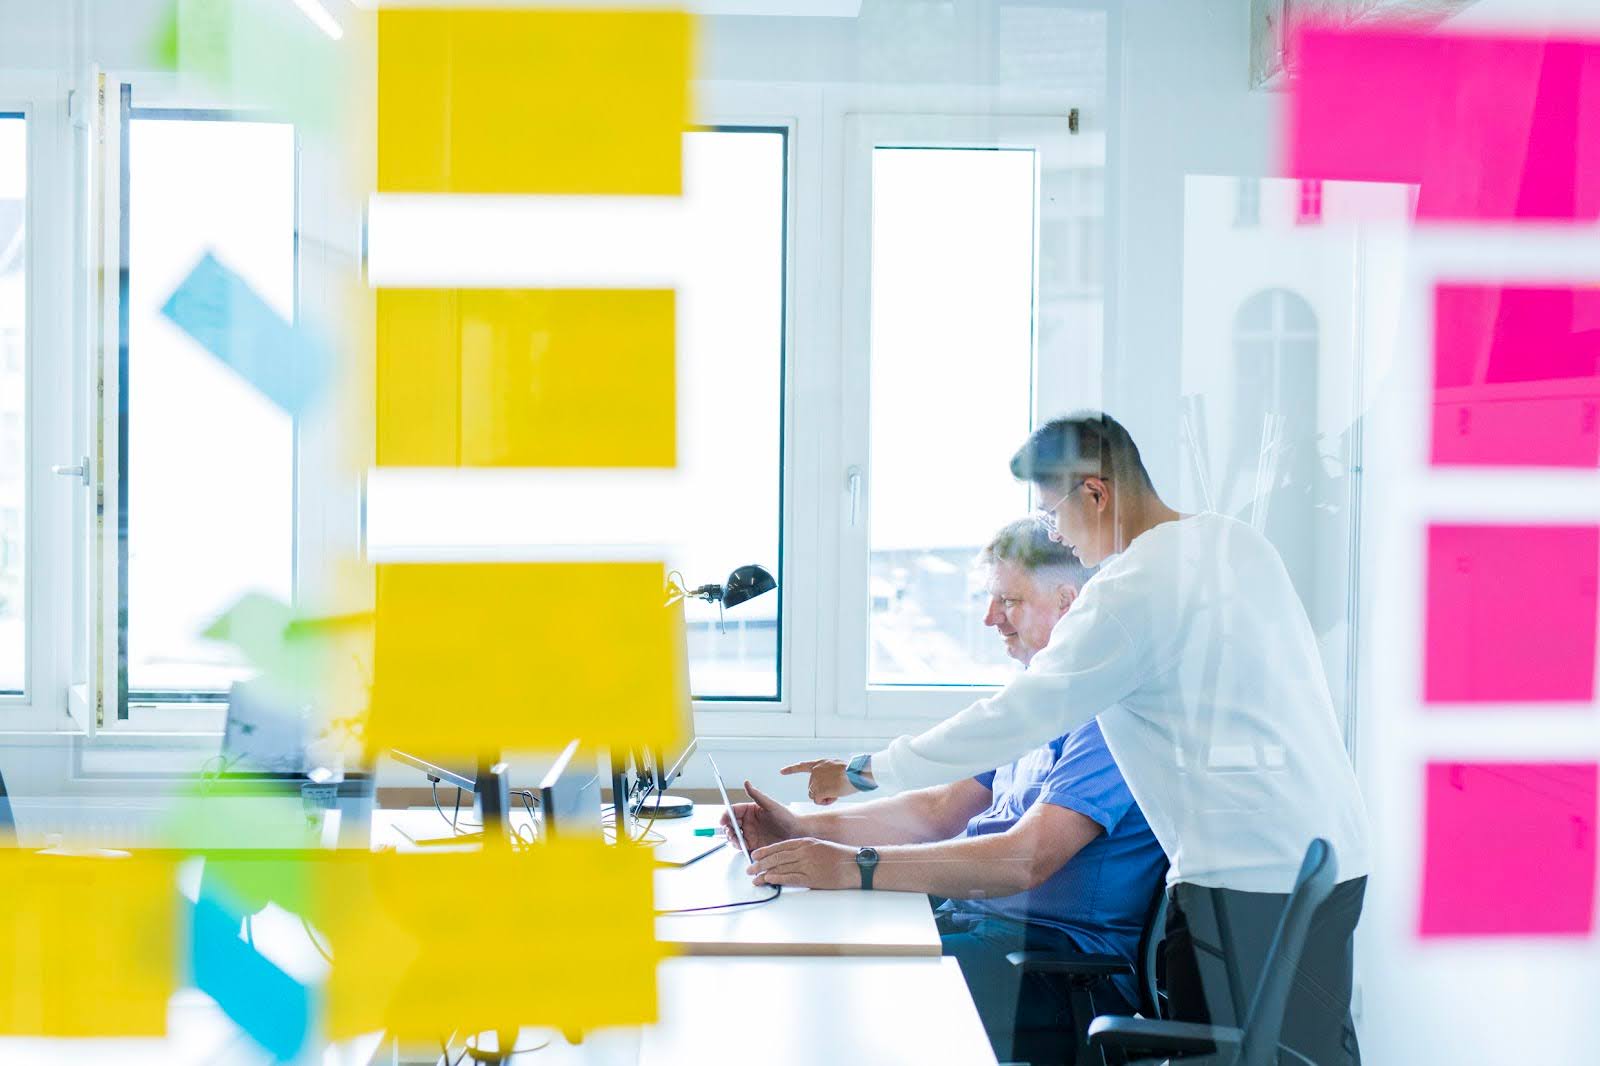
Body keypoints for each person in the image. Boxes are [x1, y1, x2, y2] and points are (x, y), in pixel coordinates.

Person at [781, 412, 1372, 1066]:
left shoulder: (1131, 588)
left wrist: (866, 769)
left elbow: (1019, 714)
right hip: (1328, 855)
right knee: (1300, 1054)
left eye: (1053, 509)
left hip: (1239, 879)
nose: (1056, 530)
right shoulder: (1234, 543)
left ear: (1096, 492)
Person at [724, 519, 1166, 1065]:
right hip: (986, 926)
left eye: (1008, 599)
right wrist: (801, 829)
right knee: (821, 956)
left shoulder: (1111, 719)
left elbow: (1026, 860)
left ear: (1068, 603)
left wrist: (853, 865)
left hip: (1056, 967)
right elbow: (938, 810)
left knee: (848, 997)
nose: (989, 618)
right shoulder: (1033, 708)